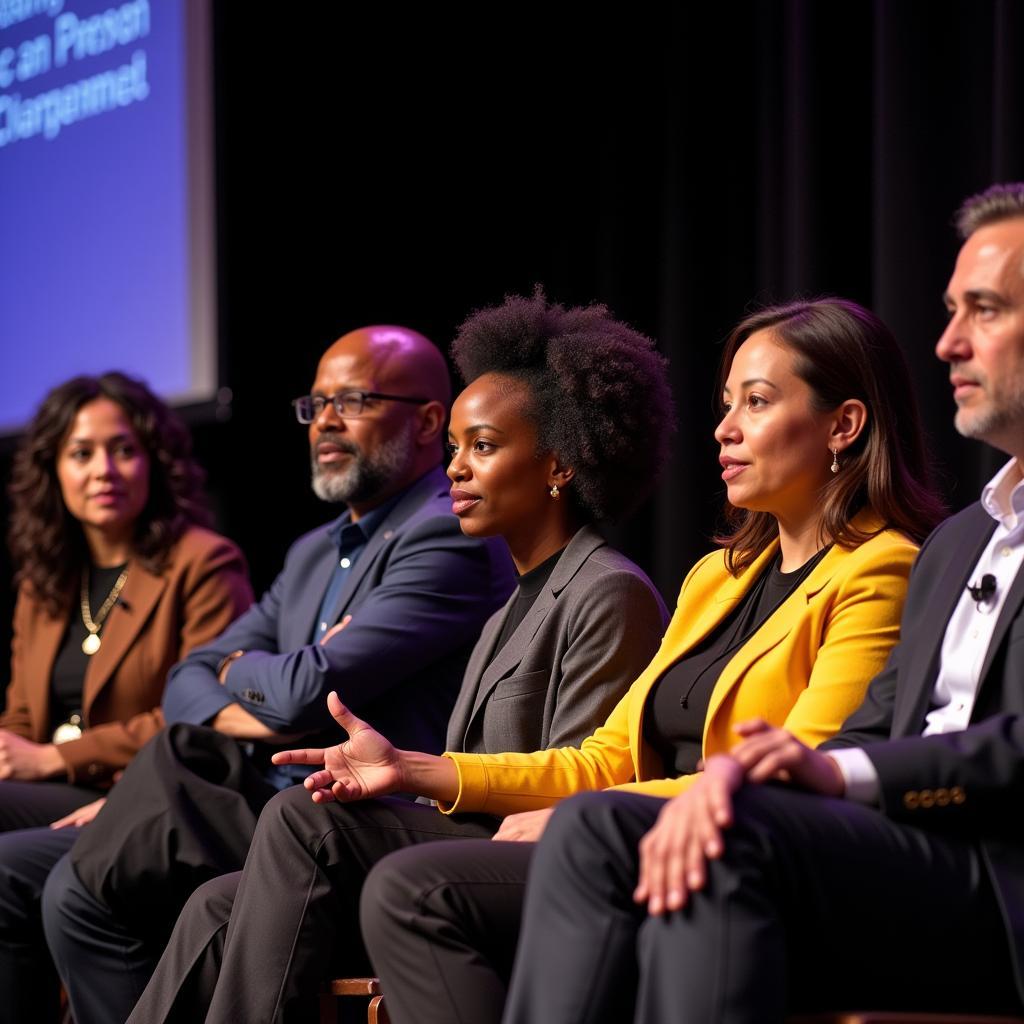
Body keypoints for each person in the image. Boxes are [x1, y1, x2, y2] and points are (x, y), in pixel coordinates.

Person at [494, 184, 1024, 1024]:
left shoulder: (891, 558)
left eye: (985, 311)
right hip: (895, 853)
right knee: (618, 831)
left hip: (998, 876)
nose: (949, 342)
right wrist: (756, 774)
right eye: (952, 310)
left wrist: (808, 775)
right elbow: (874, 725)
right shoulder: (964, 541)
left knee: (705, 834)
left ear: (843, 425)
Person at [348, 295, 949, 1024]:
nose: (724, 430)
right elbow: (604, 758)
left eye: (755, 403)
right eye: (726, 403)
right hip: (632, 835)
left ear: (843, 426)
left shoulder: (883, 570)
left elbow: (812, 773)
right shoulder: (718, 575)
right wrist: (412, 770)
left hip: (742, 857)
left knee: (414, 891)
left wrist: (593, 818)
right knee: (390, 876)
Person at [123, 290, 675, 1023]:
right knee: (216, 901)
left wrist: (406, 778)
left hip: (533, 857)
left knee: (300, 821)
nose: (455, 470)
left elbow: (582, 783)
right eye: (454, 449)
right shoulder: (511, 600)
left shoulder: (607, 590)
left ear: (559, 466)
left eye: (482, 446)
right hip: (462, 834)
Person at [41, 326, 516, 1024]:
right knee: (54, 877)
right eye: (316, 403)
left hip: (352, 816)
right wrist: (261, 690)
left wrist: (248, 676)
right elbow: (189, 678)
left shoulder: (446, 535)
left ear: (427, 421)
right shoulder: (311, 554)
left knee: (85, 886)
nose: (324, 420)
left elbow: (303, 692)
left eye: (351, 400)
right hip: (267, 793)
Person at [0, 371, 254, 1024]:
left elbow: (205, 716)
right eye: (81, 453)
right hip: (69, 796)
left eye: (123, 449)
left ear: (154, 462)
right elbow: (24, 722)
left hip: (151, 795)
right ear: (53, 469)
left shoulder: (202, 564)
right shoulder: (46, 583)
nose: (103, 469)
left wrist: (57, 759)